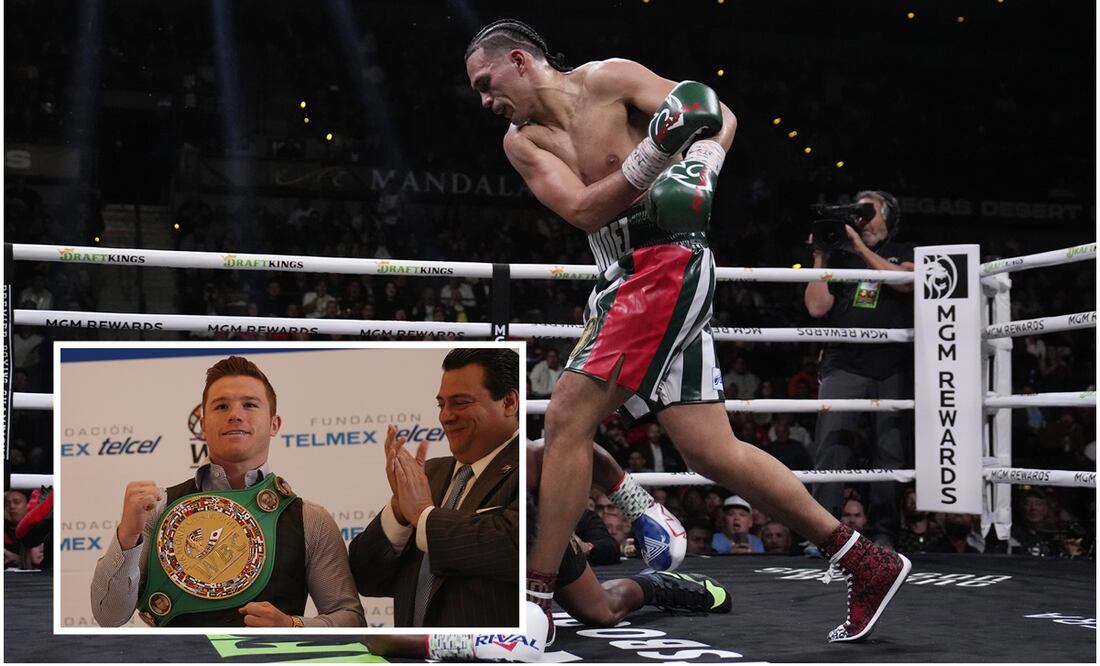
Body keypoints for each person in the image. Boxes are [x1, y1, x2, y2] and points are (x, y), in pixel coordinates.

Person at [465, 19, 910, 643]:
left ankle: (533, 603)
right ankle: (864, 559)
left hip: (667, 263)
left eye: (487, 83)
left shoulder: (612, 80)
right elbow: (583, 208)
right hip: (620, 271)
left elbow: (715, 111)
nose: (485, 101)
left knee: (567, 416)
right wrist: (654, 157)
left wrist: (700, 162)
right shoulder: (522, 141)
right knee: (711, 451)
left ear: (518, 60)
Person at [363, 457, 731, 663]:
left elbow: (580, 447)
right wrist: (472, 643)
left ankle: (657, 586)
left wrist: (636, 503)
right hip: (502, 577)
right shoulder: (443, 485)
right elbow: (382, 638)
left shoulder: (528, 458)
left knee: (601, 610)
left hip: (541, 540)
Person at [90, 356, 365, 628]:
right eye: (221, 406)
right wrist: (126, 536)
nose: (235, 414)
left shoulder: (311, 520)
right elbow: (109, 616)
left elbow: (350, 619)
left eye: (250, 404)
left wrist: (292, 626)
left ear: (274, 424)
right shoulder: (158, 508)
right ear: (203, 426)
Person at [349, 348, 520, 627]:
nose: (446, 417)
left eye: (461, 403)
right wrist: (399, 512)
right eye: (441, 405)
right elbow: (366, 579)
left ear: (509, 402)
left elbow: (514, 549)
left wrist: (422, 514)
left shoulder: (534, 466)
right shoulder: (429, 475)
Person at [804, 190, 914, 548]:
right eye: (858, 211)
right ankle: (825, 534)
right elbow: (817, 308)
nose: (862, 218)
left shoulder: (906, 252)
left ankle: (885, 534)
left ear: (889, 217)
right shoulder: (840, 258)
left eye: (869, 211)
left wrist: (860, 249)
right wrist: (821, 253)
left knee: (890, 452)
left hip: (891, 366)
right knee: (831, 448)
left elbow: (906, 281)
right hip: (844, 364)